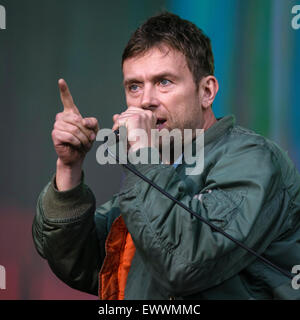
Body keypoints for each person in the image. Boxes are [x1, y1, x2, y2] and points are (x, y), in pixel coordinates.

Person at [32, 11, 300, 300]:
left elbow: (185, 261)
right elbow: (79, 262)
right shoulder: (157, 171)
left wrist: (142, 153)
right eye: (134, 86)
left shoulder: (252, 160)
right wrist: (69, 167)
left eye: (164, 82)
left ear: (206, 91)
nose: (146, 100)